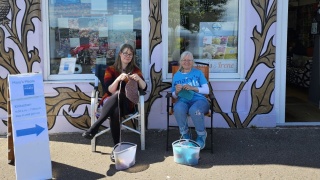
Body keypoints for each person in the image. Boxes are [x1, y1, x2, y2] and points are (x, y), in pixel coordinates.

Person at [82, 44, 147, 160]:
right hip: (110, 103)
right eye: (125, 53)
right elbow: (109, 90)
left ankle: (95, 127)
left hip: (127, 104)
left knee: (119, 95)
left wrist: (139, 79)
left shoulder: (135, 70)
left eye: (130, 54)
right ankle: (117, 148)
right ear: (120, 54)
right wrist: (118, 79)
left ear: (132, 57)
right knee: (115, 105)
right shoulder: (110, 70)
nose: (128, 56)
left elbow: (144, 87)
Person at [171, 51, 209, 150]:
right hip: (183, 100)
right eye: (184, 60)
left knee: (194, 110)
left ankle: (201, 135)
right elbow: (174, 96)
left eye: (189, 60)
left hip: (199, 100)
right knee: (178, 108)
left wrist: (193, 88)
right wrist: (177, 91)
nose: (186, 62)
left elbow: (207, 90)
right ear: (181, 62)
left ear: (192, 62)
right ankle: (185, 135)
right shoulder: (177, 76)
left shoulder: (198, 73)